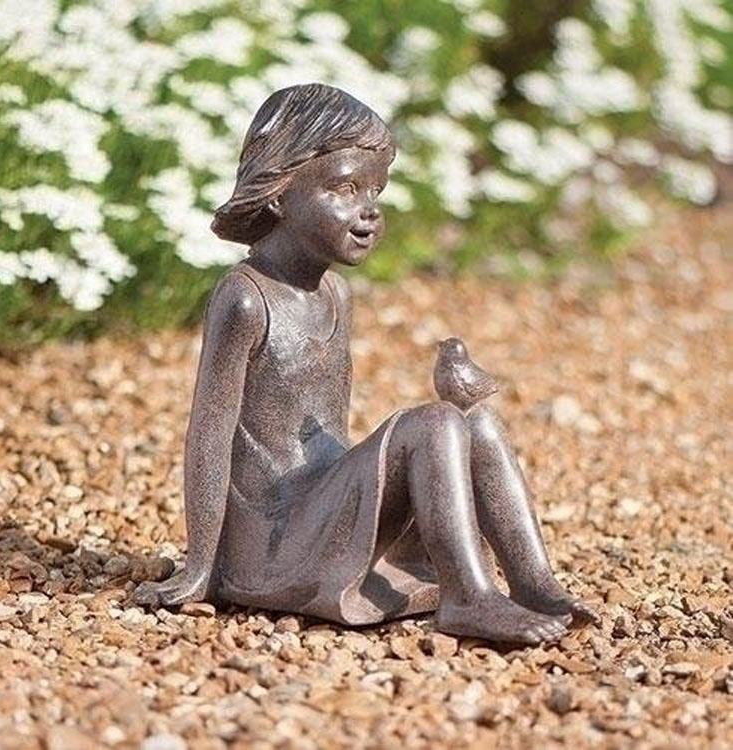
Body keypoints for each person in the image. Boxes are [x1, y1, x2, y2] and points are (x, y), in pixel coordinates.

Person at [134, 83, 596, 644]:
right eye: (345, 188)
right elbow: (209, 434)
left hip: (328, 511)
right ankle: (467, 597)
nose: (369, 210)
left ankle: (534, 583)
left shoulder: (336, 294)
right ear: (278, 194)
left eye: (376, 190)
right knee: (433, 422)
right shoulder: (246, 298)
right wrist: (203, 567)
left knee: (477, 422)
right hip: (274, 543)